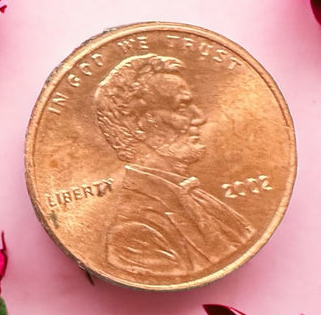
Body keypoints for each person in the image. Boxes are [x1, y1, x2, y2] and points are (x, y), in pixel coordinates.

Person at [94, 54, 253, 277]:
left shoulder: (199, 198)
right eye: (181, 107)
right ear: (137, 124)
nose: (199, 118)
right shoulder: (133, 234)